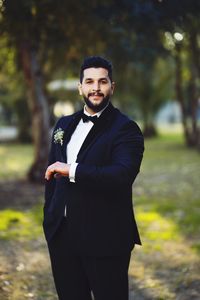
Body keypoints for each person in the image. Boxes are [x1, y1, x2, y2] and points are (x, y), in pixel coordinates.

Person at [43, 56, 144, 300]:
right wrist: (50, 219)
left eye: (102, 81)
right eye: (89, 81)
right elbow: (52, 176)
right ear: (80, 87)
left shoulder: (126, 129)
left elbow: (121, 175)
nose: (96, 88)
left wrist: (73, 169)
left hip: (105, 237)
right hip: (63, 237)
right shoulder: (63, 125)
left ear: (112, 86)